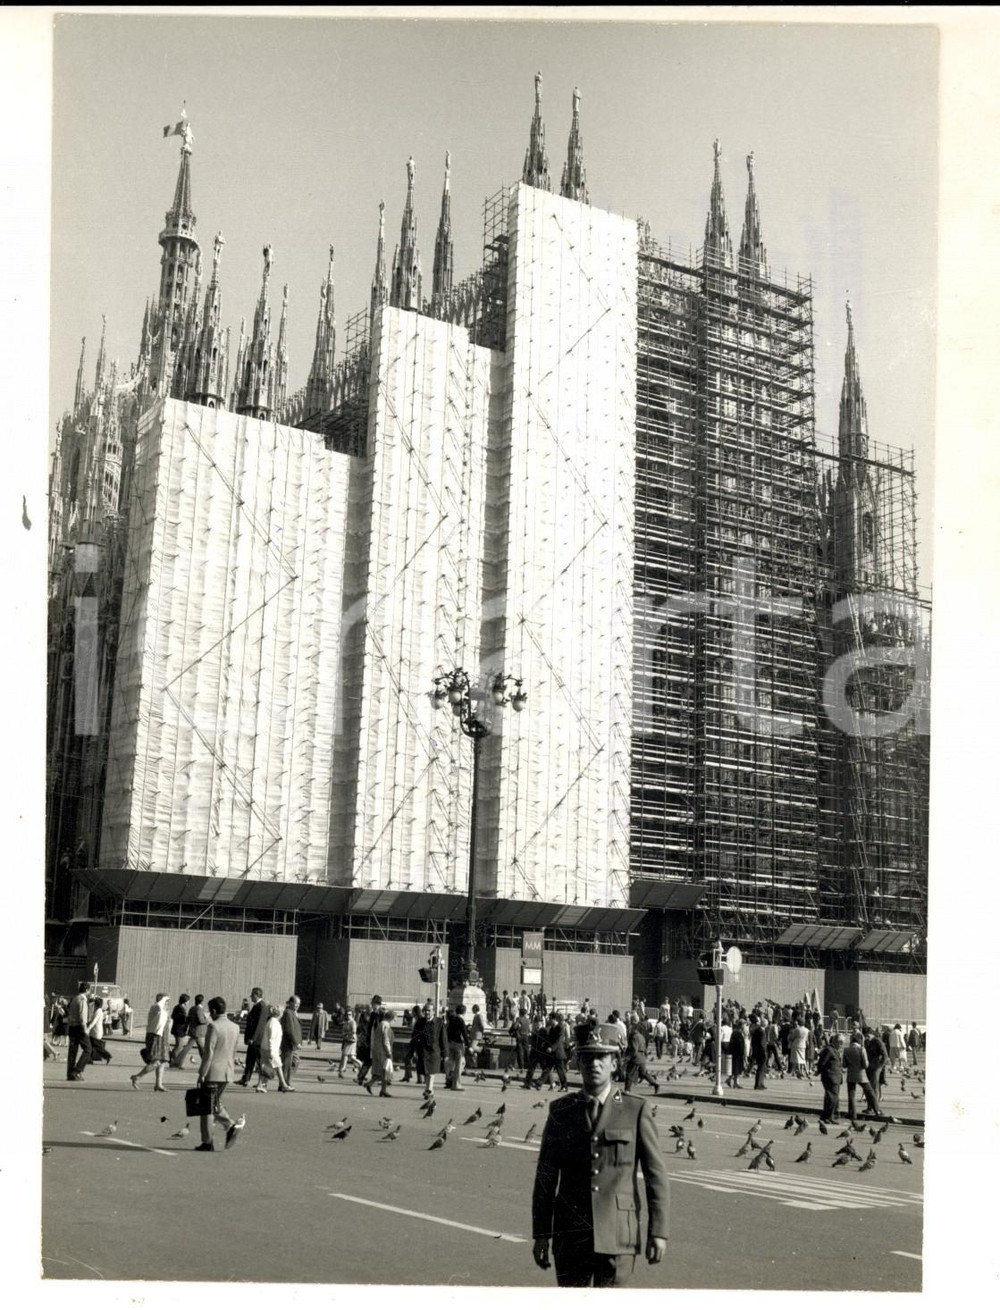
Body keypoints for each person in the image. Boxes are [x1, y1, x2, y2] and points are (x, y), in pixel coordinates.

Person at [532, 1023, 669, 1288]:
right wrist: (541, 1234)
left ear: (614, 1064)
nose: (594, 1064)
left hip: (618, 1234)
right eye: (587, 1058)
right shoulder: (561, 1111)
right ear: (578, 1064)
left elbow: (656, 1176)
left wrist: (658, 1232)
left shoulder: (635, 1110)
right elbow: (546, 1178)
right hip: (571, 1236)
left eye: (601, 1057)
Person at [195, 996, 244, 1151]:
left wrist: (202, 1072)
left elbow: (208, 1053)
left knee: (206, 1107)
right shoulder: (235, 1027)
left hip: (213, 1071)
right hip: (227, 1071)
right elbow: (234, 1050)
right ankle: (228, 1127)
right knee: (215, 1103)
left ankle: (210, 1140)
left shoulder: (213, 1026)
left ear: (214, 1011)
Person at [131, 993, 172, 1092]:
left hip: (162, 1038)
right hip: (156, 1037)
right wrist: (165, 998)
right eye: (166, 1002)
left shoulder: (163, 1011)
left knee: (162, 1062)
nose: (167, 1005)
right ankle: (137, 1077)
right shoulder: (157, 1009)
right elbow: (159, 1005)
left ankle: (158, 1084)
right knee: (156, 1061)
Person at [841, 1031, 880, 1120]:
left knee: (851, 1095)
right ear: (859, 1042)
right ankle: (877, 1110)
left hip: (851, 1075)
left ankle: (852, 1114)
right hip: (861, 1075)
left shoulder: (846, 1050)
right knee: (870, 1092)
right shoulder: (862, 1049)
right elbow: (866, 1065)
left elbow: (844, 1064)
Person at [256, 1005, 292, 1093]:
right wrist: (272, 1051)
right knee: (277, 1066)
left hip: (267, 1048)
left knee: (266, 1067)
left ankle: (260, 1085)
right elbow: (271, 1039)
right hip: (270, 1049)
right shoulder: (274, 1023)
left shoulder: (272, 1022)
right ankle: (283, 1084)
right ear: (279, 1013)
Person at [171, 994, 209, 1068]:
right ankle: (177, 1062)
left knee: (200, 1048)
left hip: (193, 1031)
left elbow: (188, 1019)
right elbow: (201, 1020)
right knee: (187, 1048)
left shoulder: (192, 1008)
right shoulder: (199, 1009)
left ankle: (206, 1063)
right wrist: (207, 1020)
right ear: (202, 1001)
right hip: (197, 1032)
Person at [623, 1019, 659, 1094]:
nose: (629, 1030)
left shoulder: (634, 1037)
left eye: (631, 1029)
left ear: (634, 1029)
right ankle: (655, 1084)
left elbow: (634, 1049)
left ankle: (627, 1090)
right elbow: (644, 1048)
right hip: (642, 1057)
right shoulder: (641, 1037)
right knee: (644, 1073)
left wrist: (628, 1058)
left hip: (636, 1057)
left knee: (629, 1073)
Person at [65, 983, 93, 1081]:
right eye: (89, 990)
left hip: (71, 1027)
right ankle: (77, 1071)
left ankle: (69, 1073)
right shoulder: (82, 1000)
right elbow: (82, 1018)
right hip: (79, 1028)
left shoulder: (74, 999)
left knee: (72, 1051)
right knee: (88, 1049)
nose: (89, 992)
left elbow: (68, 1011)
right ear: (87, 990)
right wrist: (86, 1030)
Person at [238, 988, 265, 1087]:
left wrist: (253, 1038)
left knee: (259, 1060)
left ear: (256, 995)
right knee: (250, 1059)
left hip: (256, 1039)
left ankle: (262, 1082)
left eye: (252, 995)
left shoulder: (261, 1006)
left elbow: (259, 1024)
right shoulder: (256, 1005)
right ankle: (245, 1079)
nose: (250, 997)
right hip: (253, 1038)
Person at [368, 1008, 396, 1096]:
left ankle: (370, 1084)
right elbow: (386, 1039)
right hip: (383, 1051)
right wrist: (388, 1052)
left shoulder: (381, 1024)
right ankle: (383, 1090)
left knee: (381, 1070)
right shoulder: (386, 1025)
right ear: (391, 1018)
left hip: (378, 1049)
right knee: (385, 1070)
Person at [422, 1003, 448, 1098]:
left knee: (431, 1072)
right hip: (424, 1051)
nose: (427, 1012)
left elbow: (443, 1038)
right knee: (427, 1072)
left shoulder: (439, 1022)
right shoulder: (421, 1021)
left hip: (434, 1051)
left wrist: (445, 1053)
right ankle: (429, 1090)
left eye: (429, 1010)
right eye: (425, 1010)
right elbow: (415, 1037)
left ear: (433, 1011)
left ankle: (428, 1089)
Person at [817, 1033, 843, 1123]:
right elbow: (822, 1062)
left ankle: (825, 1116)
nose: (841, 1045)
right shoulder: (829, 1050)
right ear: (836, 1042)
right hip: (831, 1077)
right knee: (833, 1098)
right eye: (841, 1043)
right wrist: (819, 1071)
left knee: (830, 1097)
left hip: (834, 1077)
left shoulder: (834, 1050)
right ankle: (830, 1116)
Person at [445, 1004, 470, 1091]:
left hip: (450, 1043)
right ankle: (456, 1084)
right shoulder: (460, 1020)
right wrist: (468, 1044)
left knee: (451, 1063)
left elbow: (447, 1031)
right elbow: (464, 1033)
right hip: (459, 1044)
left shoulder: (452, 1019)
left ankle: (449, 1080)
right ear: (464, 1012)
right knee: (459, 1064)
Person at [279, 996, 302, 1089]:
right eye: (296, 1003)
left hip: (292, 1044)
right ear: (290, 1003)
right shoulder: (288, 1012)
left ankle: (286, 1082)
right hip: (288, 1043)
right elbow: (289, 1029)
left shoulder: (293, 1012)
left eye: (299, 1004)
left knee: (295, 1061)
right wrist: (296, 1042)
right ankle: (284, 1084)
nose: (297, 1006)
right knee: (286, 1064)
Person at [87, 992, 113, 1065]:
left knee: (96, 1046)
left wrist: (88, 1028)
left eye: (94, 1003)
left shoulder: (98, 1011)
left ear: (96, 1004)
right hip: (95, 1031)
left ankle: (107, 1055)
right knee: (91, 1046)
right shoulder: (99, 1011)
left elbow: (94, 1022)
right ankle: (90, 1059)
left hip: (95, 1032)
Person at [338, 1009, 360, 1077]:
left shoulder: (353, 1022)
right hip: (346, 1040)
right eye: (347, 1014)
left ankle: (342, 1069)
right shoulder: (346, 1022)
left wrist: (346, 1034)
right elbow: (343, 1031)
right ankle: (360, 1064)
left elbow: (353, 1031)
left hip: (351, 1040)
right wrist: (344, 1034)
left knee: (345, 1054)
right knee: (351, 1056)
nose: (348, 1016)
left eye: (350, 1014)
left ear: (352, 1015)